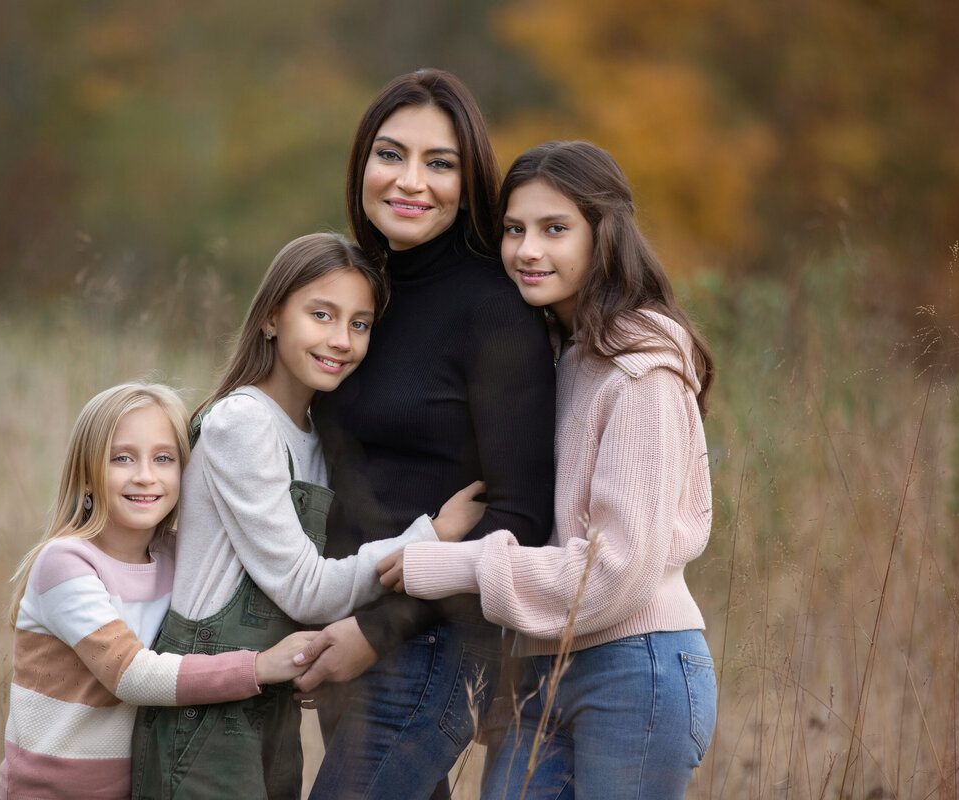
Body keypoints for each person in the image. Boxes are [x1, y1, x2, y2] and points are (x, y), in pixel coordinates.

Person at [379, 140, 719, 799]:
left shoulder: (639, 367)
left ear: (605, 235)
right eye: (514, 230)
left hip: (635, 667)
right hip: (543, 668)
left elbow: (616, 570)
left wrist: (456, 563)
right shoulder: (563, 353)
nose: (528, 250)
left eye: (554, 229)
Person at [130, 233, 487, 800]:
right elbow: (303, 587)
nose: (340, 340)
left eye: (360, 324)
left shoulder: (315, 438)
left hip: (267, 701)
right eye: (321, 315)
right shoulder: (242, 424)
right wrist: (433, 537)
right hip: (206, 708)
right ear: (272, 317)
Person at [296, 70, 556, 800]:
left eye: (439, 163)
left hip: (433, 643)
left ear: (469, 179)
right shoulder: (358, 294)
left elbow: (520, 515)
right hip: (343, 628)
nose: (412, 181)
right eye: (391, 155)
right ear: (361, 166)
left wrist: (377, 631)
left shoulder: (494, 307)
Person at [0, 381, 315, 800]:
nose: (145, 476)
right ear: (87, 476)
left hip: (140, 784)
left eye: (163, 458)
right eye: (122, 458)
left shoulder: (176, 559)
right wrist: (260, 668)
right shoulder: (66, 564)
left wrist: (303, 667)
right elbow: (131, 675)